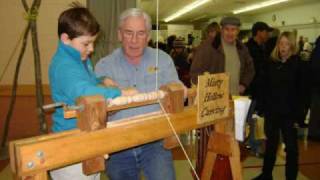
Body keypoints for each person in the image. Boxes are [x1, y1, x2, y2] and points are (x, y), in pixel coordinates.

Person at [48, 5, 135, 180]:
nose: (92, 49)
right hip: (71, 147)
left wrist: (100, 79)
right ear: (66, 39)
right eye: (86, 43)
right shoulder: (64, 65)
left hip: (85, 137)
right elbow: (84, 92)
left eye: (93, 42)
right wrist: (120, 93)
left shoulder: (79, 58)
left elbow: (85, 81)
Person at [95, 8, 182, 180]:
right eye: (128, 33)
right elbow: (96, 112)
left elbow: (177, 91)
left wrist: (180, 92)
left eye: (140, 33)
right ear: (120, 34)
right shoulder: (103, 67)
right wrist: (106, 110)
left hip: (156, 143)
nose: (134, 40)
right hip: (117, 146)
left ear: (148, 36)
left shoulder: (163, 61)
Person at [190, 16, 255, 176]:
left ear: (238, 31)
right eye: (227, 29)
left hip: (235, 103)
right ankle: (205, 174)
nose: (230, 33)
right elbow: (194, 74)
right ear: (221, 29)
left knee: (233, 143)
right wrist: (212, 87)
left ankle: (227, 175)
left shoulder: (242, 48)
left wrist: (243, 84)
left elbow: (250, 68)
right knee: (210, 144)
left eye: (233, 29)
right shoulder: (208, 47)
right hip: (213, 105)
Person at [254, 31, 300, 180]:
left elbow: (302, 92)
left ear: (292, 46)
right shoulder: (270, 64)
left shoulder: (299, 65)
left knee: (291, 149)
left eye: (287, 44)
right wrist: (262, 107)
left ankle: (290, 177)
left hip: (289, 115)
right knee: (271, 146)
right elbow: (264, 87)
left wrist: (299, 116)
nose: (283, 47)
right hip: (272, 112)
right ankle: (266, 175)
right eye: (281, 43)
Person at [245, 22, 273, 156]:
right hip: (251, 91)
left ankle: (253, 144)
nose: (268, 34)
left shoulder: (263, 48)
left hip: (260, 92)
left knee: (254, 119)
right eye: (266, 31)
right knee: (251, 119)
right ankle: (254, 146)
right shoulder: (248, 49)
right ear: (259, 32)